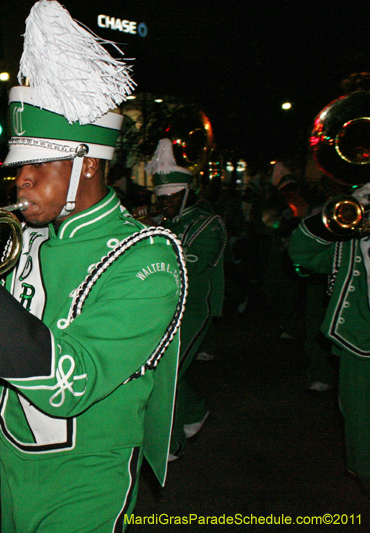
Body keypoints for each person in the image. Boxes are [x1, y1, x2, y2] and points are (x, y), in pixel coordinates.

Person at [0, 2, 186, 530]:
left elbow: (70, 384)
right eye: (19, 166)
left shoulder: (147, 258)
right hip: (15, 458)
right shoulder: (31, 240)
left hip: (87, 477)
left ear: (87, 165)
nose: (22, 180)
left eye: (39, 163)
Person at [288, 176, 370, 495]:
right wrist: (343, 213)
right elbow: (301, 253)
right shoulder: (350, 241)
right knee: (361, 433)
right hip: (360, 342)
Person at [146, 138, 226, 460]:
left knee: (167, 373)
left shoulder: (209, 224)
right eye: (162, 197)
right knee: (162, 369)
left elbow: (189, 264)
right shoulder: (167, 222)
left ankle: (173, 443)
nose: (166, 203)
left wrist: (152, 234)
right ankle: (194, 410)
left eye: (172, 197)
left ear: (188, 193)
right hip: (163, 308)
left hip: (193, 308)